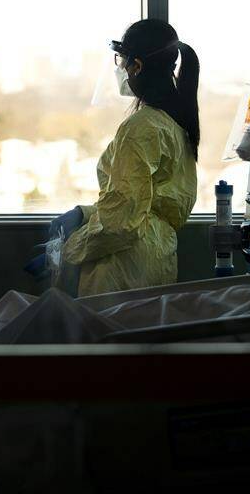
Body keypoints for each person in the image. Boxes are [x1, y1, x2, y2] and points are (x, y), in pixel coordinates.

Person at [51, 19, 200, 297]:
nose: (120, 69)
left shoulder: (141, 128)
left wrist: (65, 251)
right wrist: (85, 214)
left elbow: (121, 224)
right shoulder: (175, 123)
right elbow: (145, 206)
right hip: (156, 260)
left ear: (137, 66)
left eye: (122, 60)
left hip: (123, 269)